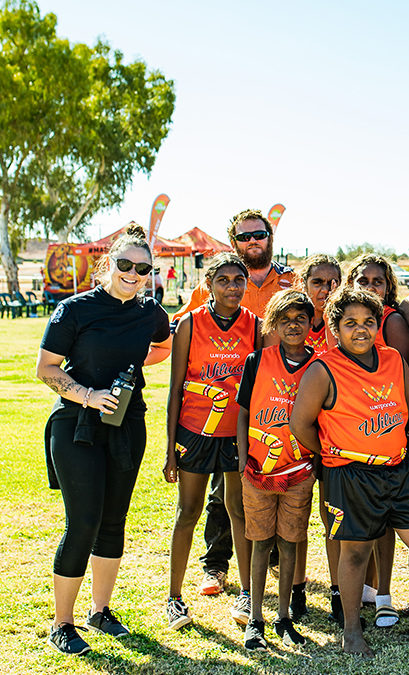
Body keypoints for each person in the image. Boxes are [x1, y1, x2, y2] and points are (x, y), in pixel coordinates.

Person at [37, 224, 170, 655]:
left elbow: (163, 347)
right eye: (126, 264)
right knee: (84, 521)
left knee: (114, 521)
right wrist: (89, 395)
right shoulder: (75, 309)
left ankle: (100, 611)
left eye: (143, 268)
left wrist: (131, 367)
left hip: (128, 424)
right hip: (76, 425)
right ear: (109, 263)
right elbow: (47, 369)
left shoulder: (151, 312)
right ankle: (63, 623)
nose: (134, 273)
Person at [289, 286, 409, 657]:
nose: (361, 330)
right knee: (355, 553)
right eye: (350, 323)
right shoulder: (323, 369)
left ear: (378, 326)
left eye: (369, 322)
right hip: (350, 472)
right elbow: (299, 424)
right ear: (334, 328)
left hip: (398, 468)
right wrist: (330, 454)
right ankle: (352, 631)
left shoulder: (392, 360)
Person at [174, 209, 295, 600]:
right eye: (244, 237)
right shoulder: (198, 306)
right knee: (207, 504)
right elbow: (177, 352)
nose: (252, 241)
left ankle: (256, 582)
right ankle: (212, 566)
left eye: (258, 234)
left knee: (247, 500)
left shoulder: (288, 283)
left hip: (252, 420)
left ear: (270, 237)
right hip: (199, 426)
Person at [164, 253, 260, 629]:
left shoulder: (255, 326)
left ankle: (248, 593)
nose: (232, 287)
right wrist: (170, 449)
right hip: (194, 431)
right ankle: (174, 598)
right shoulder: (189, 323)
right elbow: (174, 390)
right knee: (187, 512)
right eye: (224, 280)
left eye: (239, 280)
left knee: (238, 511)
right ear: (208, 283)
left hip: (235, 433)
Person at [235, 289, 317, 650]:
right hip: (258, 468)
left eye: (300, 318)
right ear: (274, 324)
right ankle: (255, 618)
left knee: (289, 542)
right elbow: (241, 411)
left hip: (299, 469)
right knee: (260, 542)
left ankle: (284, 616)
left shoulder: (319, 364)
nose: (294, 325)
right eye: (285, 319)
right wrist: (241, 457)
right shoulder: (257, 361)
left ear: (311, 322)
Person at [344, 252, 409, 624]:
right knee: (350, 521)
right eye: (363, 280)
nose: (370, 287)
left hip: (384, 432)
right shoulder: (339, 318)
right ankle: (359, 590)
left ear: (388, 288)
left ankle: (384, 592)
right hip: (343, 435)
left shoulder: (393, 321)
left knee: (384, 519)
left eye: (378, 281)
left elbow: (397, 381)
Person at [292, 254, 341, 621]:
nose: (326, 290)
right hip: (294, 432)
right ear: (304, 284)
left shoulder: (345, 324)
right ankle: (296, 590)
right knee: (296, 515)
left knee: (332, 516)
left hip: (335, 435)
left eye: (333, 282)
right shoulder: (292, 322)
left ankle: (339, 590)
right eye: (318, 283)